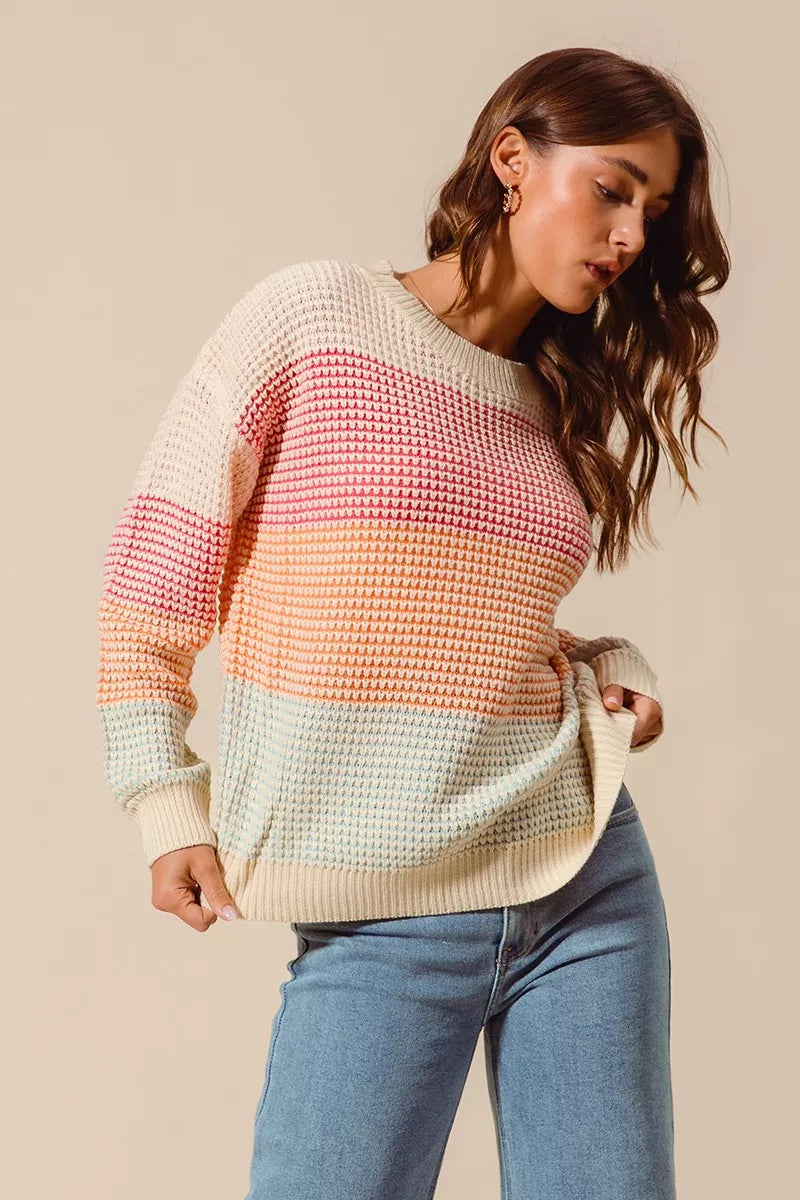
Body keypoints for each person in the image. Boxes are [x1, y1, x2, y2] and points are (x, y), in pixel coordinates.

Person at [96, 46, 729, 1200]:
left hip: (581, 885)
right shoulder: (314, 320)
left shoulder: (551, 399)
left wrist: (610, 669)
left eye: (652, 210)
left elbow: (471, 626)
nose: (630, 234)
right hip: (376, 910)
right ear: (511, 160)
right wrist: (161, 800)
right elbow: (149, 591)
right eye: (611, 188)